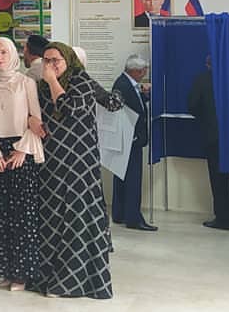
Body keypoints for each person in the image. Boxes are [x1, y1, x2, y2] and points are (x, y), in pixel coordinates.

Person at [31, 42, 121, 299]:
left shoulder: (81, 81)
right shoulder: (41, 86)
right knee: (51, 218)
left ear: (68, 60)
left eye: (56, 60)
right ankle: (47, 278)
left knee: (77, 217)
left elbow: (70, 108)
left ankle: (70, 283)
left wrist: (52, 81)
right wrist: (31, 119)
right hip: (51, 162)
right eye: (46, 60)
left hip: (79, 163)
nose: (50, 65)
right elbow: (33, 112)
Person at [0, 37, 45, 292]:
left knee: (22, 215)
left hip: (22, 152)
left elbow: (35, 119)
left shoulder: (26, 83)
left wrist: (22, 149)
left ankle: (22, 273)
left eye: (3, 53)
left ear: (13, 54)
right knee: (1, 214)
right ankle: (6, 269)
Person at [189, 55, 229, 230]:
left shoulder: (203, 80)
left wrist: (207, 120)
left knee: (219, 180)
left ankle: (223, 218)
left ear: (209, 64)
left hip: (215, 137)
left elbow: (192, 105)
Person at [111, 55, 157, 232]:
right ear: (136, 71)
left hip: (126, 140)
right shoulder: (124, 85)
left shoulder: (125, 83)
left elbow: (134, 104)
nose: (145, 73)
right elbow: (124, 112)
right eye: (144, 71)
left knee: (122, 178)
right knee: (132, 180)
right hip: (130, 140)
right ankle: (133, 218)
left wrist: (144, 96)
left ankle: (120, 213)